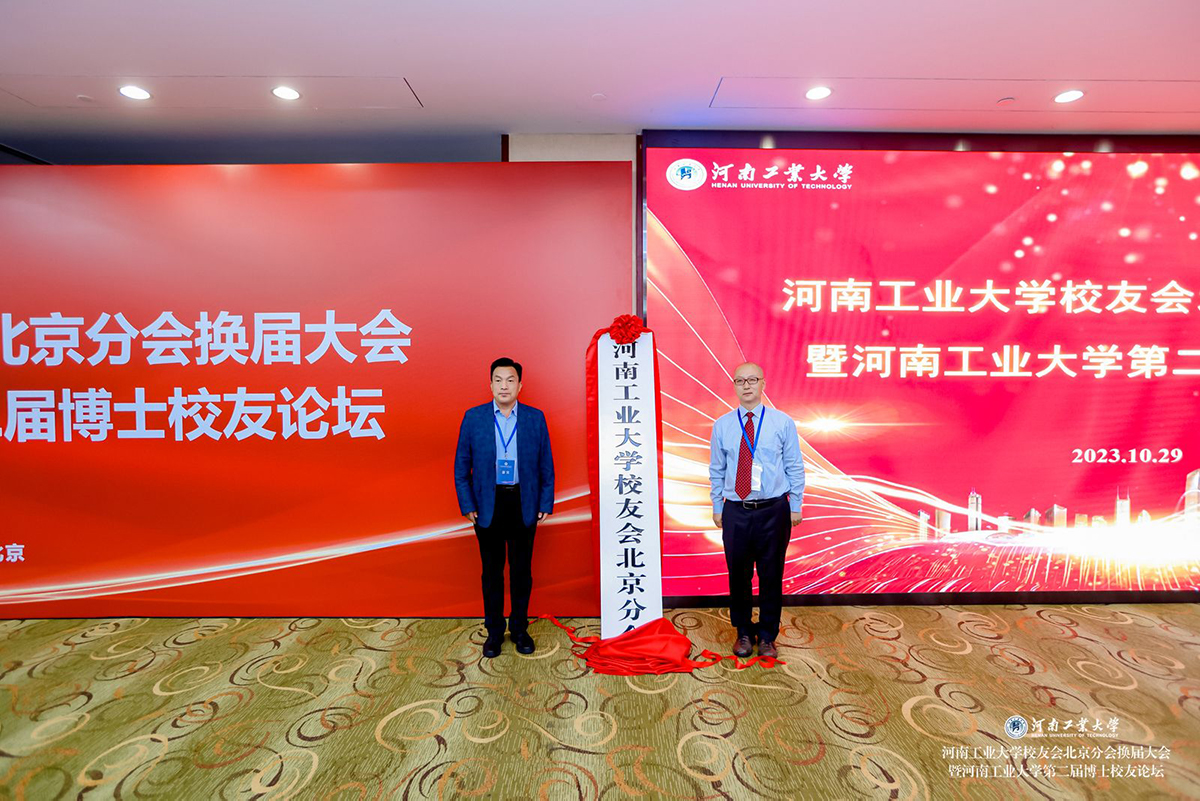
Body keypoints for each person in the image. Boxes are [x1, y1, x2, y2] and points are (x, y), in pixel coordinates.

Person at [454, 357, 555, 658]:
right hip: (488, 504)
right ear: (490, 385)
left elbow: (546, 464)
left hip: (523, 502)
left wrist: (545, 501)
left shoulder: (535, 418)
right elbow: (461, 466)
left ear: (520, 385)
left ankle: (520, 629)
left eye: (510, 380)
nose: (504, 386)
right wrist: (467, 503)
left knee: (522, 572)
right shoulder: (474, 418)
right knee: (492, 573)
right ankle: (495, 632)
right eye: (498, 380)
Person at [708, 362, 805, 659]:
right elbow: (716, 469)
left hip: (773, 510)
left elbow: (794, 465)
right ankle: (743, 632)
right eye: (740, 381)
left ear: (763, 383)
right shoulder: (722, 425)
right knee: (738, 575)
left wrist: (795, 504)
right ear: (734, 386)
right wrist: (717, 505)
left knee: (771, 575)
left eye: (752, 380)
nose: (746, 385)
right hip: (736, 510)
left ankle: (767, 636)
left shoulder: (782, 422)